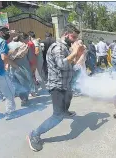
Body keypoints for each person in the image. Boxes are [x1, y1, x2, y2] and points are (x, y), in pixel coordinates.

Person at [27, 24, 84, 152]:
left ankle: (64, 110)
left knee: (68, 97)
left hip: (65, 84)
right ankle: (34, 134)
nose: (75, 40)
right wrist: (75, 51)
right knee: (57, 116)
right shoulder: (58, 47)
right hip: (57, 86)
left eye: (76, 38)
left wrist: (78, 54)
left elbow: (71, 64)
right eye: (73, 37)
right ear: (65, 34)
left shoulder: (65, 47)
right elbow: (62, 64)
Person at [8, 32, 35, 106]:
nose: (28, 41)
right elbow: (30, 58)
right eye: (27, 39)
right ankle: (25, 99)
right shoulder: (25, 46)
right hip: (24, 67)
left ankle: (22, 97)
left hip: (13, 67)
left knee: (17, 83)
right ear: (24, 39)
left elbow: (6, 57)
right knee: (24, 83)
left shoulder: (9, 45)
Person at [28, 31, 38, 96]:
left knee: (31, 76)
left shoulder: (29, 43)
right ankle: (35, 90)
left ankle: (33, 91)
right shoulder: (31, 43)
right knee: (33, 76)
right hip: (33, 60)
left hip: (30, 61)